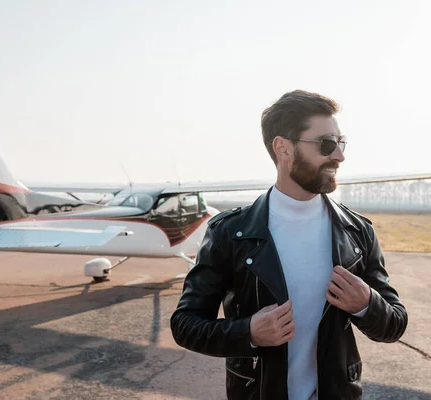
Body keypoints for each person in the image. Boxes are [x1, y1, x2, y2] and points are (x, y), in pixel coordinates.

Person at [170, 90, 408, 400]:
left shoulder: (357, 233)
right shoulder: (230, 233)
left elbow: (395, 323)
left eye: (341, 143)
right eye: (326, 144)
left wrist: (366, 303)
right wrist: (249, 333)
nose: (339, 155)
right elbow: (185, 325)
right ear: (283, 148)